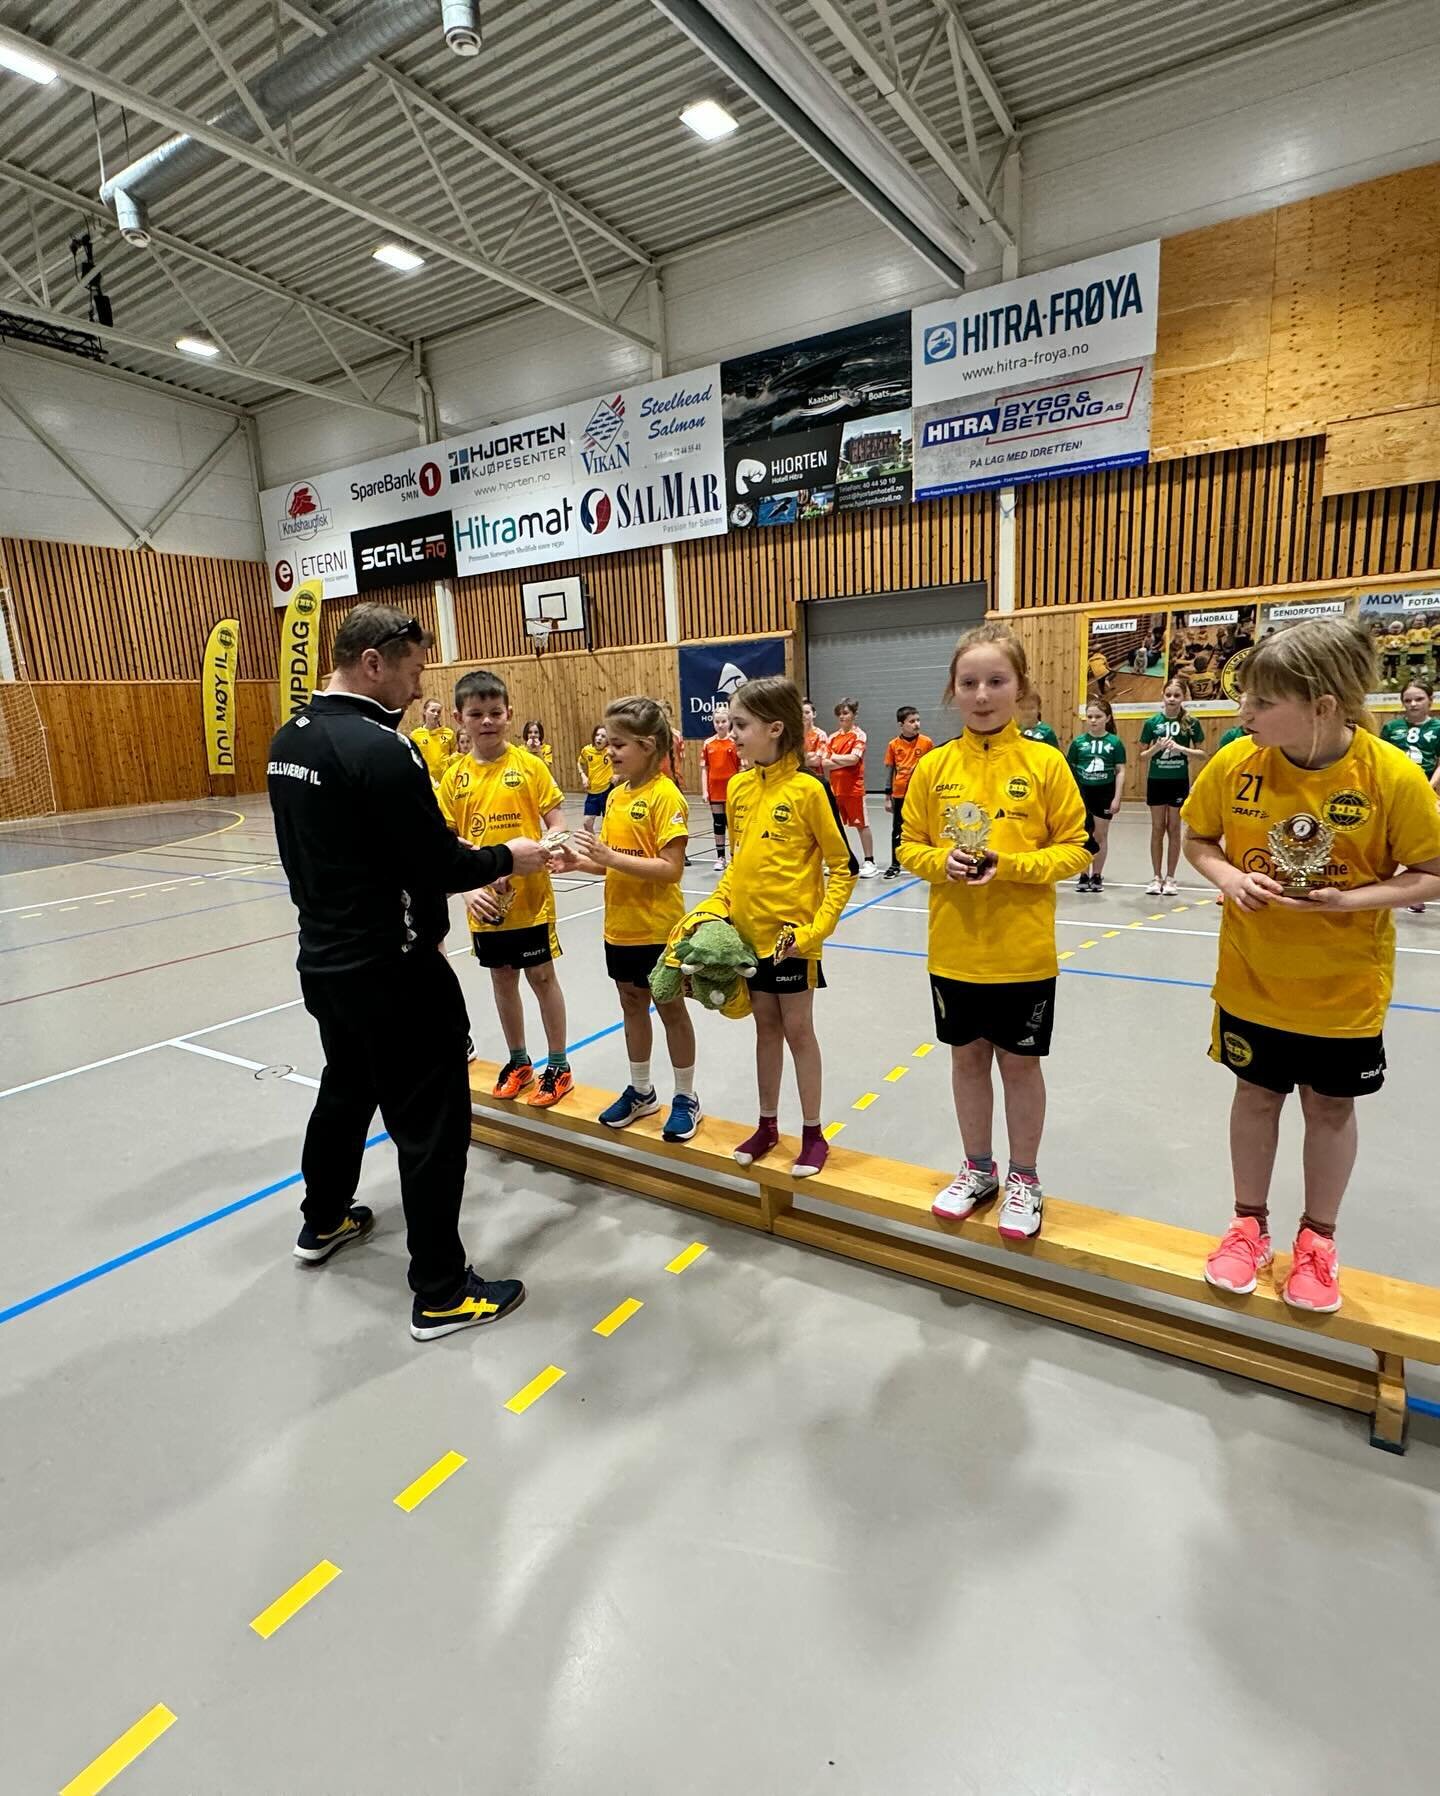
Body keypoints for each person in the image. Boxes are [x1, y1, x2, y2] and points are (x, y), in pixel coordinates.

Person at [268, 603, 542, 1341]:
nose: (418, 687)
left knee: (345, 1091)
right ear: (373, 663)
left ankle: (321, 1220)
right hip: (393, 970)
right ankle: (442, 1291)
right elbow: (434, 860)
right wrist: (506, 858)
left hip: (324, 961)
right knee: (431, 1128)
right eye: (415, 670)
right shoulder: (383, 750)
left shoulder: (288, 738)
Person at [1183, 618, 1440, 1314]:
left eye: (1262, 703)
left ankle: (1318, 1240)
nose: (1245, 714)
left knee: (1329, 1107)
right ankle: (1247, 1226)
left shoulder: (1392, 776)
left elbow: (1431, 873)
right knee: (1256, 1095)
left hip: (1343, 990)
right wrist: (1228, 878)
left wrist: (1353, 900)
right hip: (1252, 979)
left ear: (1322, 706)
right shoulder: (1236, 763)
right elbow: (1197, 837)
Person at [900, 622, 1089, 1242]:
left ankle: (1025, 1179)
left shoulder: (1045, 763)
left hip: (1023, 955)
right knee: (967, 1063)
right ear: (953, 691)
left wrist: (1013, 867)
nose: (982, 694)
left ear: (1021, 688)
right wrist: (941, 864)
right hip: (955, 951)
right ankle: (978, 1168)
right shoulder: (932, 767)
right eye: (969, 682)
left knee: (1020, 1067)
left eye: (996, 681)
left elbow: (1075, 850)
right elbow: (910, 847)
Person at [684, 676, 856, 1178]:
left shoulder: (809, 789)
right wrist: (713, 910)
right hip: (748, 939)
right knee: (765, 1029)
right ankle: (766, 1126)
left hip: (792, 944)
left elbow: (841, 868)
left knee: (798, 1031)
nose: (731, 734)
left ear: (775, 728)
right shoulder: (738, 787)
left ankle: (813, 1132)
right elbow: (737, 865)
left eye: (740, 725)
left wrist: (812, 933)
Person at [565, 696, 700, 1142]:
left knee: (671, 1010)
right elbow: (610, 864)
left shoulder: (666, 797)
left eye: (619, 744)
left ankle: (685, 1097)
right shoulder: (617, 796)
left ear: (647, 745)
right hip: (619, 927)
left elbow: (670, 868)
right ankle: (642, 1090)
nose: (609, 751)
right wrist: (578, 863)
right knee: (630, 1005)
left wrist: (611, 856)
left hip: (658, 929)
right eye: (608, 743)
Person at [438, 671, 573, 1109]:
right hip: (485, 903)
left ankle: (558, 1063)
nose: (487, 721)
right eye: (476, 714)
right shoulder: (454, 777)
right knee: (502, 978)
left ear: (509, 715)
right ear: (460, 718)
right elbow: (445, 842)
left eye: (495, 713)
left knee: (542, 976)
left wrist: (544, 849)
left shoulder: (530, 767)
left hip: (531, 898)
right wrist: (466, 886)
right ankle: (519, 1060)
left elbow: (558, 822)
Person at [1140, 677, 1205, 896]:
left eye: (1177, 695)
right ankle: (1155, 876)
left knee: (1174, 829)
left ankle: (1171, 878)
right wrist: (1155, 749)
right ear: (1163, 695)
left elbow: (1202, 753)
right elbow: (1141, 756)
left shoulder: (1190, 722)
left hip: (1178, 781)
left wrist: (1181, 749)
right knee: (1157, 828)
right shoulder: (1151, 723)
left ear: (1183, 697)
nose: (1172, 699)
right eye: (1168, 694)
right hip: (1156, 781)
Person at [1379, 681, 1440, 911]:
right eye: (1407, 700)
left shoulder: (1438, 727)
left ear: (1430, 701)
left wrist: (1427, 786)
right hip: (1392, 791)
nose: (1413, 704)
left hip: (1424, 792)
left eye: (1419, 699)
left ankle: (1418, 891)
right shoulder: (1391, 727)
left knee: (1423, 843)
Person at [1067, 701, 1127, 892]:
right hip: (1083, 793)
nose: (1093, 720)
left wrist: (1117, 798)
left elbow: (1120, 771)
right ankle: (1083, 874)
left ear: (1107, 718)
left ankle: (1097, 875)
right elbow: (1070, 772)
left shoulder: (1114, 743)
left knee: (1100, 834)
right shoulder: (1078, 743)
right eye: (1090, 716)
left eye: (1098, 717)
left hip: (1104, 792)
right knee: (1084, 834)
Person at [826, 697, 877, 878]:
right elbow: (825, 762)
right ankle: (842, 860)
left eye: (845, 713)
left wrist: (835, 758)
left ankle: (870, 861)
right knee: (834, 825)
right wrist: (842, 759)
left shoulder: (859, 735)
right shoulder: (832, 737)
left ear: (854, 715)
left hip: (853, 789)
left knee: (861, 825)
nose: (842, 716)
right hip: (835, 789)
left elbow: (854, 759)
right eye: (839, 713)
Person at [882, 705, 934, 878]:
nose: (916, 724)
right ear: (901, 724)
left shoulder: (926, 742)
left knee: (925, 829)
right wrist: (887, 796)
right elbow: (890, 770)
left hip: (920, 795)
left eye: (918, 720)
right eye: (911, 721)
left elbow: (932, 769)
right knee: (898, 830)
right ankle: (895, 864)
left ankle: (927, 862)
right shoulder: (893, 745)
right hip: (900, 794)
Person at [701, 703, 742, 871]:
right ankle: (720, 857)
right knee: (718, 823)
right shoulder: (708, 743)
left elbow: (741, 768)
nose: (720, 725)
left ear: (729, 722)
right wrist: (705, 791)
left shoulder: (734, 742)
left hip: (731, 790)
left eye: (723, 721)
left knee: (732, 824)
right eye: (717, 722)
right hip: (715, 790)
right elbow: (705, 769)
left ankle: (735, 857)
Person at [410, 697, 455, 784]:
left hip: (446, 780)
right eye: (432, 710)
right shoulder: (415, 735)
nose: (436, 714)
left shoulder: (448, 733)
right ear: (424, 712)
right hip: (426, 780)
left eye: (438, 712)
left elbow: (455, 756)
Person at [578, 725, 613, 819]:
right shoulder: (587, 750)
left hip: (607, 791)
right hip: (592, 791)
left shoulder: (611, 751)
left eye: (603, 736)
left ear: (607, 740)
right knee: (587, 822)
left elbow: (624, 763)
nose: (599, 738)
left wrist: (617, 775)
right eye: (597, 735)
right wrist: (583, 776)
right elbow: (580, 763)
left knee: (607, 821)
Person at [802, 698, 829, 779]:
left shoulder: (821, 734)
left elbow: (817, 761)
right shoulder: (795, 735)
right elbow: (791, 759)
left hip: (816, 777)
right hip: (798, 777)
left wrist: (800, 760)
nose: (803, 715)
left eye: (807, 712)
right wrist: (809, 755)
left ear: (814, 714)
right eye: (801, 713)